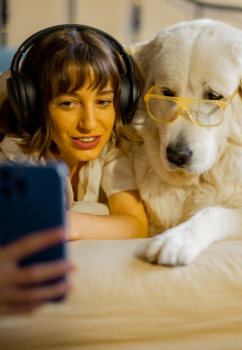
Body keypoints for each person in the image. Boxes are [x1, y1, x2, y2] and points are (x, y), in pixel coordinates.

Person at [0, 25, 148, 314]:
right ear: (32, 104)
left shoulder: (114, 144)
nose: (89, 124)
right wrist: (100, 217)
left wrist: (66, 223)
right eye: (68, 103)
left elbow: (136, 224)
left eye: (104, 102)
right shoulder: (16, 158)